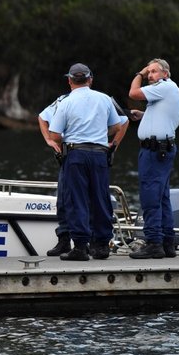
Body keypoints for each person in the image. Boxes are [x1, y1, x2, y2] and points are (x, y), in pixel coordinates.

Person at [47, 63, 128, 261]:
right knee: (100, 198)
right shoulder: (104, 99)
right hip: (100, 154)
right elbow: (117, 126)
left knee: (77, 200)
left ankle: (81, 247)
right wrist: (100, 133)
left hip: (76, 154)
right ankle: (101, 245)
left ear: (69, 80)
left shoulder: (65, 102)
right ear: (90, 79)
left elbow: (55, 134)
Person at [128, 58, 179, 259]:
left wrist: (139, 73)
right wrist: (144, 115)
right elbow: (164, 115)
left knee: (150, 198)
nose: (150, 75)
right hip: (160, 149)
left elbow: (133, 93)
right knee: (162, 198)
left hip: (154, 152)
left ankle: (153, 244)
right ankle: (168, 243)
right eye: (148, 72)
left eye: (153, 71)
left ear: (165, 74)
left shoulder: (164, 87)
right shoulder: (167, 90)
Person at [38, 91, 69, 256]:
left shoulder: (99, 99)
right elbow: (43, 117)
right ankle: (64, 240)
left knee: (87, 199)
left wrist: (111, 144)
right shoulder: (63, 100)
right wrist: (49, 140)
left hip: (89, 152)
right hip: (68, 153)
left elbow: (122, 120)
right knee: (63, 199)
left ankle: (89, 242)